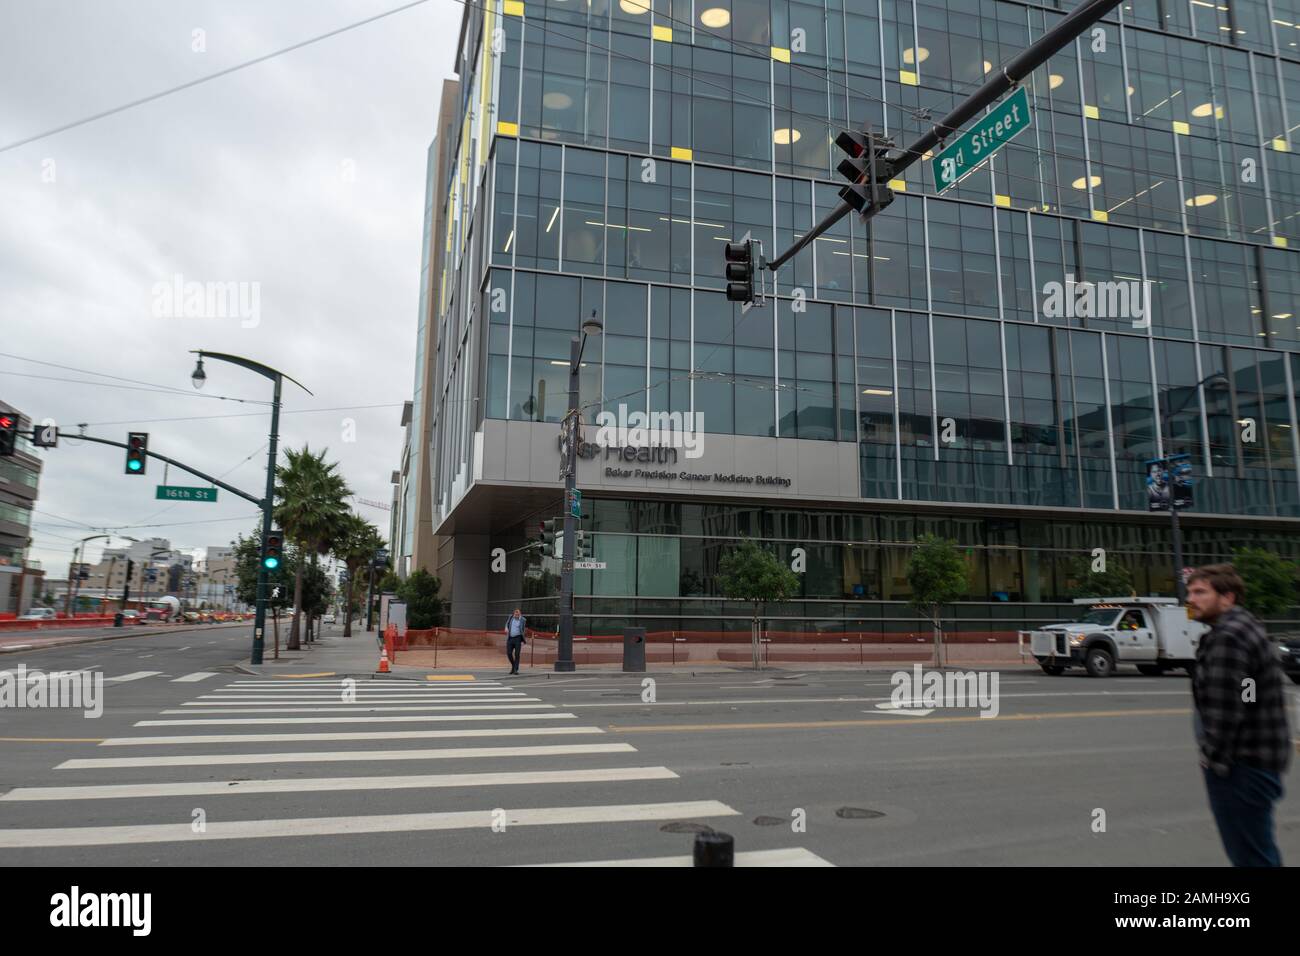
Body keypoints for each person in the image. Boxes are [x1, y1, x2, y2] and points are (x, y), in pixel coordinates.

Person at [1186, 564, 1292, 867]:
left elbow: (1225, 711)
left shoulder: (1228, 637)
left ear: (1228, 597)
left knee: (1250, 857)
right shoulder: (1246, 627)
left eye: (1200, 592)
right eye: (1190, 592)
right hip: (1257, 761)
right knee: (1258, 852)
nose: (1191, 599)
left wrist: (1212, 759)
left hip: (1240, 767)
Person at [504, 608, 526, 675]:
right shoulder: (510, 617)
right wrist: (506, 628)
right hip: (510, 638)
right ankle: (513, 666)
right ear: (513, 614)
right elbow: (507, 624)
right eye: (515, 613)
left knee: (517, 654)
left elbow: (523, 629)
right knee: (509, 653)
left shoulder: (523, 620)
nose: (516, 615)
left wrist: (522, 640)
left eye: (518, 614)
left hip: (518, 638)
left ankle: (515, 669)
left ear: (520, 614)